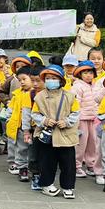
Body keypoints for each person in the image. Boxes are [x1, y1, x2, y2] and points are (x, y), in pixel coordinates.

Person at [31, 65, 80, 199]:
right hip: (48, 136)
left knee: (68, 164)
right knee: (47, 162)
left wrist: (67, 121)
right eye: (47, 78)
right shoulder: (40, 97)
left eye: (54, 78)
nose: (50, 81)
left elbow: (76, 113)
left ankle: (68, 187)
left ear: (61, 80)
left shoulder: (70, 96)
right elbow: (34, 114)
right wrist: (45, 120)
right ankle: (46, 185)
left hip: (66, 135)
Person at [5, 67, 33, 182]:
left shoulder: (34, 94)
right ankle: (23, 168)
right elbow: (10, 108)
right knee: (21, 148)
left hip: (32, 126)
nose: (22, 82)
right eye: (19, 80)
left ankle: (32, 167)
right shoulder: (17, 94)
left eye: (24, 79)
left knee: (32, 149)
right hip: (19, 126)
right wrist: (8, 118)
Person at [71, 61, 98, 178]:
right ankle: (76, 166)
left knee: (93, 143)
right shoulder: (77, 86)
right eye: (85, 72)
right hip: (81, 119)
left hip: (93, 119)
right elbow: (75, 104)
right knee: (80, 144)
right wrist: (75, 121)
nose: (88, 75)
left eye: (91, 73)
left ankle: (91, 164)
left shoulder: (94, 86)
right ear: (80, 74)